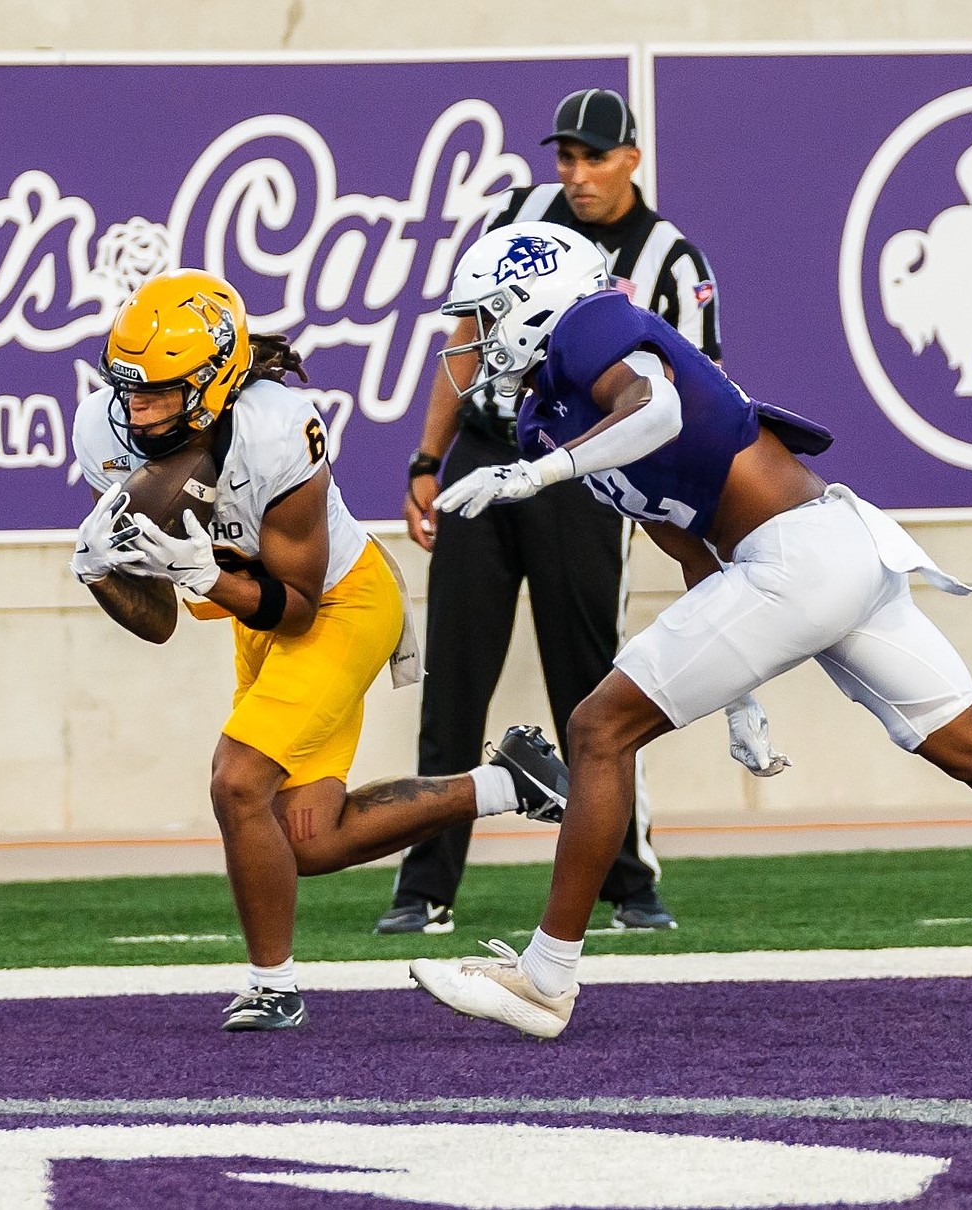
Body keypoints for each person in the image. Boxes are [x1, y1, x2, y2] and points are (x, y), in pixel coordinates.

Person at [408, 219, 972, 1038]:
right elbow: (690, 543)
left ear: (536, 301)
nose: (476, 338)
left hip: (799, 556)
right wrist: (740, 698)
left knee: (597, 729)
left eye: (491, 314)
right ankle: (544, 976)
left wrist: (536, 474)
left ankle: (544, 979)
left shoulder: (592, 323)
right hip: (819, 554)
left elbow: (660, 407)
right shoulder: (549, 411)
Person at [68, 267, 569, 1032]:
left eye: (160, 392)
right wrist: (100, 570)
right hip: (253, 617)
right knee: (305, 838)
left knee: (237, 780)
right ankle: (506, 785)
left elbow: (298, 609)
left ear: (211, 380)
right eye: (128, 389)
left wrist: (202, 568)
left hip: (341, 601)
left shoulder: (279, 426)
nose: (137, 410)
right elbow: (160, 620)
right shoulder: (102, 435)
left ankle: (272, 986)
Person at [376, 87, 719, 936]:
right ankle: (426, 887)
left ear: (632, 158)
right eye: (565, 156)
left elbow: (692, 393)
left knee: (592, 678)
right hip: (492, 453)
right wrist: (428, 456)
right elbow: (463, 337)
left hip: (588, 474)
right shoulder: (517, 212)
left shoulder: (671, 258)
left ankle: (628, 881)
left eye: (594, 156)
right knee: (454, 674)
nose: (576, 174)